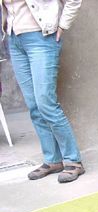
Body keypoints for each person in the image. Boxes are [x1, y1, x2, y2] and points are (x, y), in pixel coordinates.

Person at [1, 0, 84, 183]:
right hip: (14, 41)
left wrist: (62, 25)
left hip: (41, 38)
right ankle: (52, 159)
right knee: (34, 105)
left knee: (46, 102)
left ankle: (73, 160)